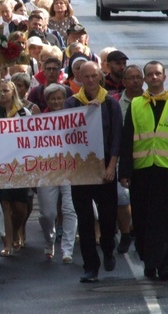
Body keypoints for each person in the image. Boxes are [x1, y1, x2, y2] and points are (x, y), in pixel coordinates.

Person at [119, 61, 168, 281]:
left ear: (164, 77)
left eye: (157, 74)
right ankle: (149, 262)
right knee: (143, 219)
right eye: (149, 75)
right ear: (144, 79)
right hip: (143, 172)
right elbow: (127, 141)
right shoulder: (135, 105)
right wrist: (125, 172)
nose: (154, 78)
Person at [65, 61, 122, 283]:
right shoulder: (72, 104)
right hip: (80, 167)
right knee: (85, 219)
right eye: (85, 76)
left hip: (104, 166)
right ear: (79, 77)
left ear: (99, 77)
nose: (89, 80)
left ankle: (108, 248)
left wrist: (111, 167)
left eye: (93, 76)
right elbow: (65, 134)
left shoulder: (110, 104)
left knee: (107, 217)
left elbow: (117, 137)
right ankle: (91, 266)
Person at [37, 83, 78, 263]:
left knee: (69, 209)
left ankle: (67, 249)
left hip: (70, 167)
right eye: (52, 98)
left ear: (65, 99)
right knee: (48, 213)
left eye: (59, 98)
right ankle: (49, 241)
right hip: (47, 169)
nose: (56, 101)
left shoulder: (74, 117)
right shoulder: (38, 120)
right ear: (47, 101)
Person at [0, 80, 31, 256]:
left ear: (13, 92)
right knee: (5, 205)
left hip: (20, 165)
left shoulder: (24, 113)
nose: (2, 94)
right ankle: (7, 243)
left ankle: (17, 229)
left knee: (20, 207)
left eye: (5, 91)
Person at [113, 64, 145, 254]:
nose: (135, 81)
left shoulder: (151, 101)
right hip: (122, 158)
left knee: (142, 199)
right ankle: (125, 234)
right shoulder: (116, 102)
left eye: (138, 77)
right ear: (124, 81)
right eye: (131, 78)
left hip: (145, 158)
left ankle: (140, 233)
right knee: (123, 197)